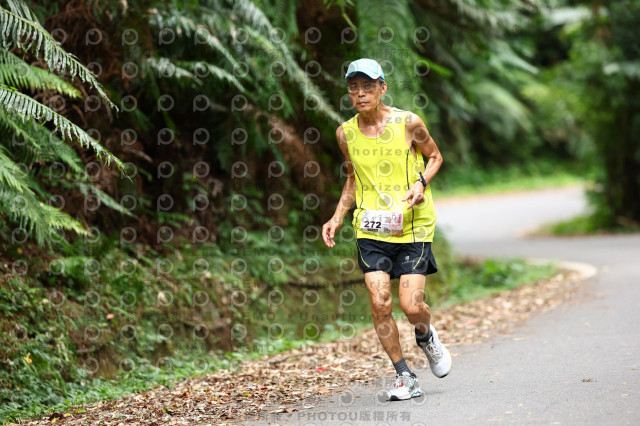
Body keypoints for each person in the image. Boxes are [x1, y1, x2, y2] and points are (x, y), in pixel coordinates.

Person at [322, 58, 452, 401]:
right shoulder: (345, 133)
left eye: (368, 86)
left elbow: (436, 157)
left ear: (383, 88)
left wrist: (420, 183)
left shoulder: (408, 123)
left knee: (411, 306)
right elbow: (353, 178)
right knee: (380, 303)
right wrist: (337, 216)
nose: (360, 93)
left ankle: (426, 335)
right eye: (354, 87)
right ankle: (404, 375)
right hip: (372, 229)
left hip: (412, 226)